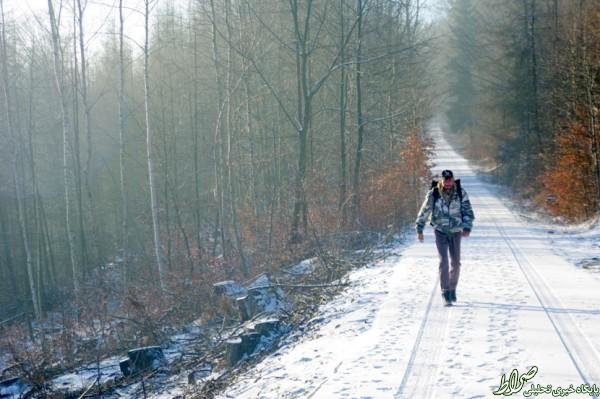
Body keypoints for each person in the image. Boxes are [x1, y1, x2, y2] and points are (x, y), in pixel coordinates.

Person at [415, 169, 475, 306]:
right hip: (440, 231)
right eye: (445, 181)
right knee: (444, 261)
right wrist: (419, 228)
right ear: (442, 180)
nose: (448, 183)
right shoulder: (434, 193)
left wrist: (467, 227)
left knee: (456, 263)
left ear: (453, 179)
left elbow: (468, 211)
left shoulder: (460, 192)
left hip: (455, 231)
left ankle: (452, 288)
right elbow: (425, 210)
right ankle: (445, 291)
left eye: (450, 180)